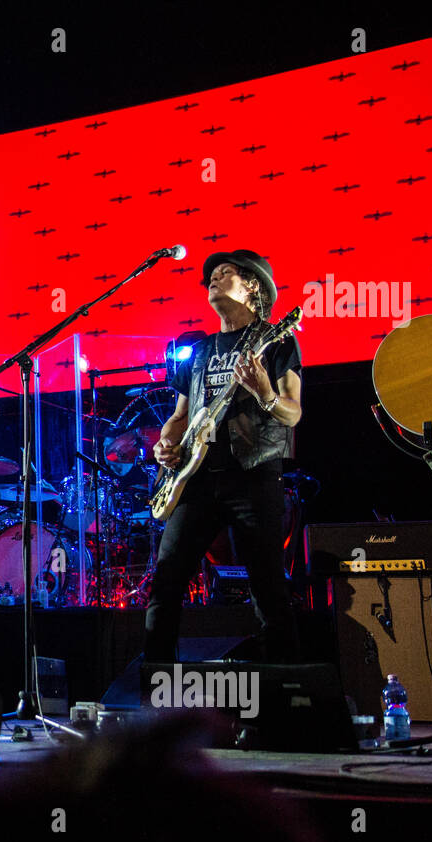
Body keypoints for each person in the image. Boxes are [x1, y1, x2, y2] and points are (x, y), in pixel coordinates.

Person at [144, 250, 303, 662]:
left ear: (252, 286)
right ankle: (155, 687)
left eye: (224, 273)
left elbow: (293, 411)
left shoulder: (278, 340)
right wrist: (165, 445)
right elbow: (179, 417)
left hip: (251, 476)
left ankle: (282, 687)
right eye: (210, 276)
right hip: (195, 479)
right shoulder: (198, 351)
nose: (212, 280)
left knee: (267, 587)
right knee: (166, 581)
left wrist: (266, 393)